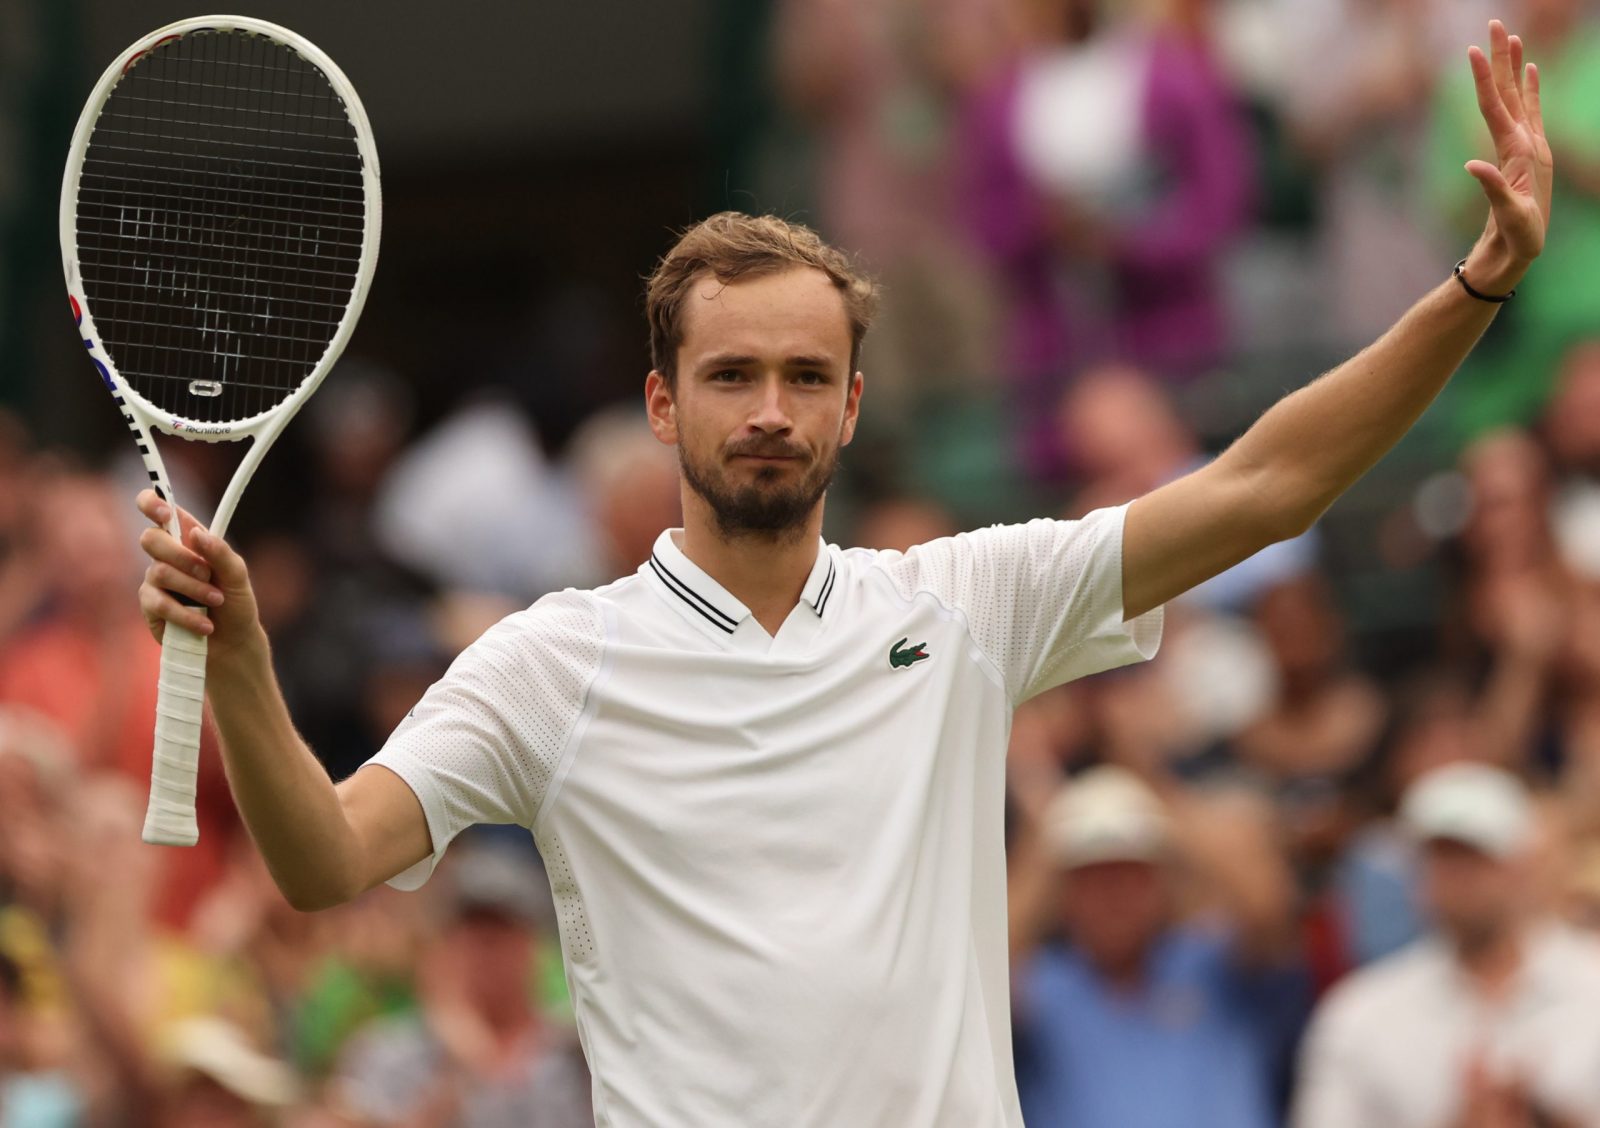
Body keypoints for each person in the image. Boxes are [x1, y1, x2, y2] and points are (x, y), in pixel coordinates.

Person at [132, 23, 1548, 1125]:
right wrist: (247, 669)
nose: (769, 407)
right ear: (661, 407)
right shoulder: (548, 662)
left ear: (854, 407)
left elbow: (1268, 481)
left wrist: (1475, 288)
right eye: (731, 374)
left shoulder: (965, 604)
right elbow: (322, 862)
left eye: (807, 376)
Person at [1293, 762, 1600, 1127]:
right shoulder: (1360, 1015)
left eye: (1476, 857)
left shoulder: (1590, 983)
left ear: (1523, 864)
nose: (1459, 879)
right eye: (1442, 858)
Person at [1006, 766, 1306, 1128]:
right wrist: (1049, 835)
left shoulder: (1211, 964)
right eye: (1093, 881)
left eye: (1133, 877)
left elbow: (1268, 909)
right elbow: (982, 969)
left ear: (1164, 885)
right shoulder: (1042, 986)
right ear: (1062, 894)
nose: (1115, 899)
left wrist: (1163, 811)